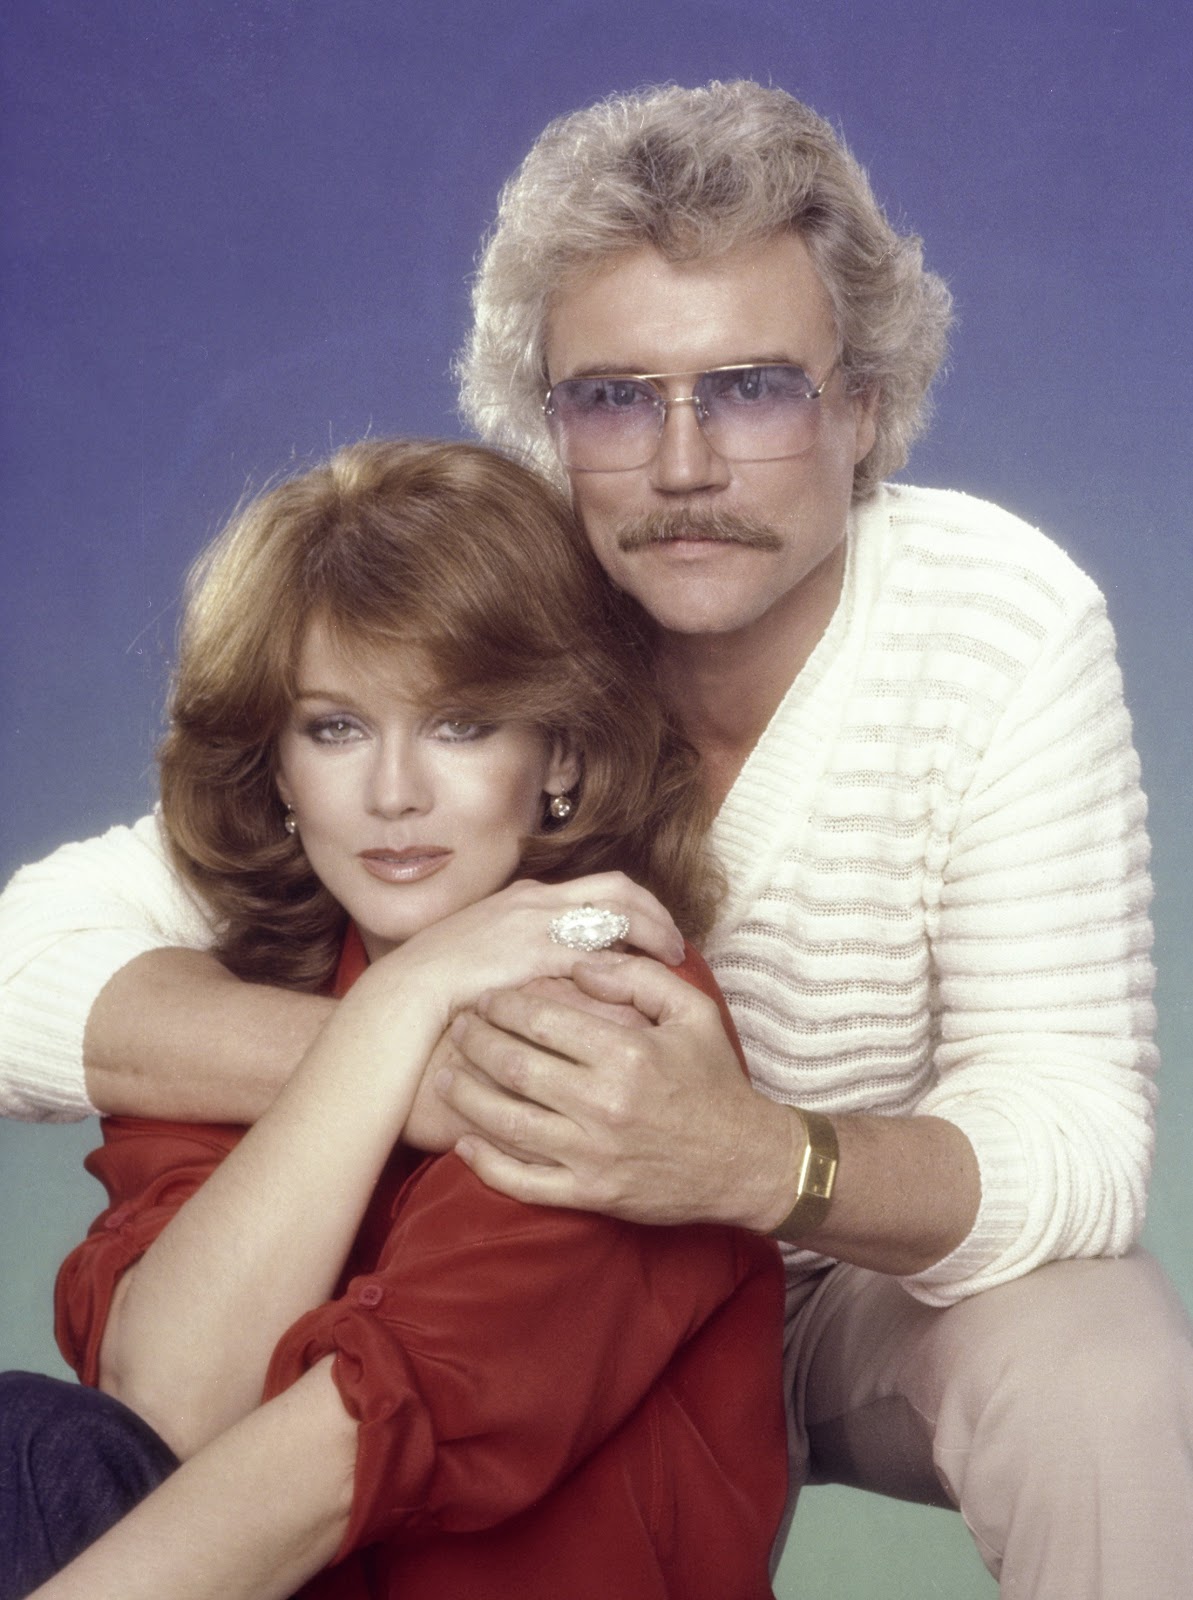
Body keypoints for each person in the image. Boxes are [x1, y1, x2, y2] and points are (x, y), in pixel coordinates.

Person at [2, 79, 1191, 1597]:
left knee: (1100, 1365)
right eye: (616, 398)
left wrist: (747, 1158)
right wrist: (417, 1059)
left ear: (865, 407)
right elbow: (29, 964)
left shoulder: (1002, 624)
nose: (682, 464)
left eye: (752, 386)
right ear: (545, 423)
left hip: (853, 1277)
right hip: (503, 1257)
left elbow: (1076, 1141)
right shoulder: (488, 630)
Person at [3, 437, 788, 1599]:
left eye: (461, 725)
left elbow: (340, 1450)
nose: (392, 793)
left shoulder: (621, 1029)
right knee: (28, 1444)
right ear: (275, 773)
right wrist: (397, 1010)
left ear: (558, 751)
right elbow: (164, 1395)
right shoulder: (247, 1010)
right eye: (334, 728)